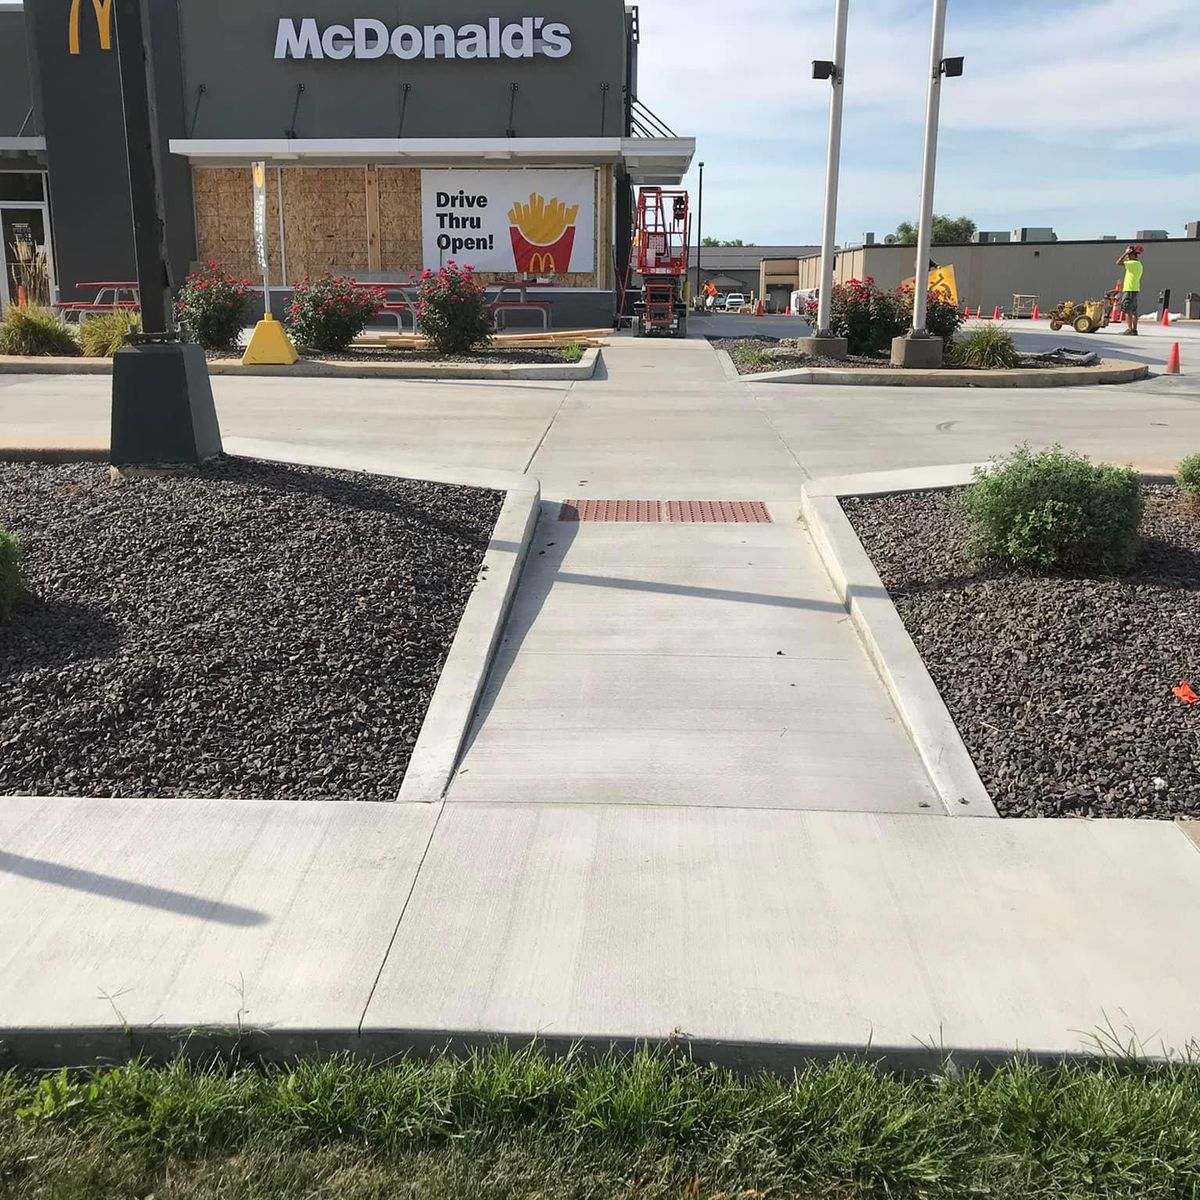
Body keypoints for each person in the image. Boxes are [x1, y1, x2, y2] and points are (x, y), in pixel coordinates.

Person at [1116, 244, 1144, 335]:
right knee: (1134, 311)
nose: (1127, 257)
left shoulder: (1132, 263)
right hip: (1135, 289)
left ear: (1132, 255)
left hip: (1129, 289)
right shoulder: (1139, 264)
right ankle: (1134, 329)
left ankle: (1130, 329)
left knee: (1127, 310)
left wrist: (1125, 253)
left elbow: (1118, 262)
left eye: (1128, 255)